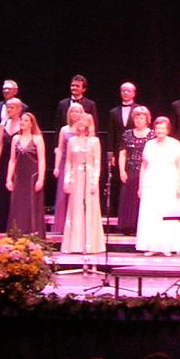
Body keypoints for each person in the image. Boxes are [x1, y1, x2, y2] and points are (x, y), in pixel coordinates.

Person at [136, 116, 180, 254]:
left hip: (168, 184)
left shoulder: (175, 144)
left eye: (162, 128)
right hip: (151, 184)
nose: (160, 130)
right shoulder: (149, 144)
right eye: (157, 128)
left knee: (167, 215)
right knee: (152, 216)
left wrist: (179, 185)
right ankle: (152, 246)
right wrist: (140, 186)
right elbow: (143, 166)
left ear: (168, 129)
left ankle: (167, 247)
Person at [61, 113, 106, 263]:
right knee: (76, 209)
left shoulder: (94, 141)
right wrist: (66, 181)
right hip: (76, 178)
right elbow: (68, 162)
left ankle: (90, 244)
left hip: (89, 176)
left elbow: (97, 162)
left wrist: (94, 181)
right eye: (79, 121)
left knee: (90, 209)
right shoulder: (72, 141)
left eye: (84, 121)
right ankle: (75, 244)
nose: (81, 123)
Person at [5, 111, 46, 234]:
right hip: (19, 177)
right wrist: (8, 178)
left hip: (32, 177)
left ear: (31, 124)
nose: (22, 122)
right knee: (17, 207)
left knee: (32, 207)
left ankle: (33, 236)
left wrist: (41, 179)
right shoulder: (15, 139)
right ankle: (16, 236)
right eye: (21, 120)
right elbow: (12, 160)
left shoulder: (37, 139)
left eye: (26, 120)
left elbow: (42, 160)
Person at [117, 105, 155, 234]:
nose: (139, 120)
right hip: (130, 169)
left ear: (147, 119)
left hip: (147, 170)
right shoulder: (127, 134)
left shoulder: (152, 134)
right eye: (136, 117)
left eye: (142, 118)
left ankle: (142, 226)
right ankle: (128, 226)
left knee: (143, 198)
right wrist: (122, 170)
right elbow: (123, 153)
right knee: (128, 198)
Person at [52, 103, 88, 234]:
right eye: (72, 112)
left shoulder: (85, 129)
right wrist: (56, 167)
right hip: (65, 164)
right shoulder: (64, 129)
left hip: (79, 165)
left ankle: (77, 226)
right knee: (63, 195)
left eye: (78, 112)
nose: (75, 114)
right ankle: (62, 226)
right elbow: (60, 149)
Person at [0, 95, 24, 225]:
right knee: (3, 189)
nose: (9, 109)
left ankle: (16, 222)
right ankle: (2, 222)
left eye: (12, 107)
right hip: (5, 159)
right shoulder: (3, 124)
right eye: (8, 107)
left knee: (16, 189)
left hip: (19, 159)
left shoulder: (23, 123)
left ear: (19, 109)